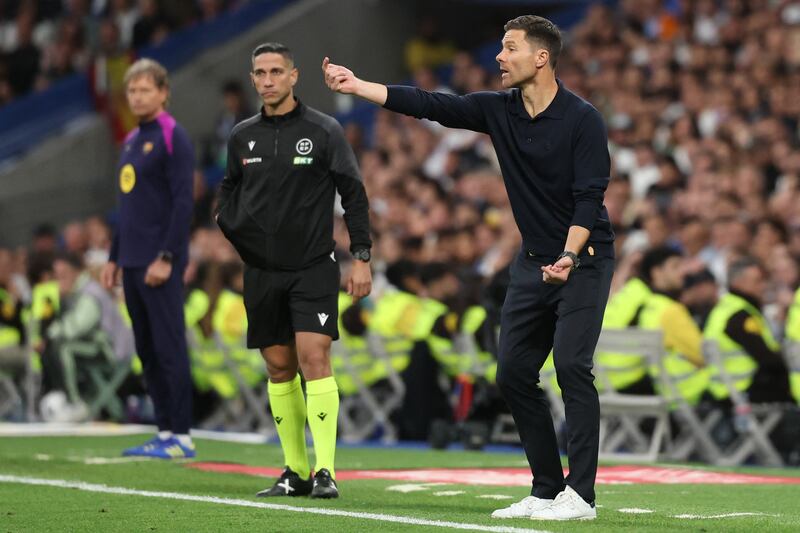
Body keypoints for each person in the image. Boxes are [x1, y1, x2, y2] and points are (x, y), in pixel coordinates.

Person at [323, 14, 614, 520]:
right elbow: (431, 104)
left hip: (583, 259)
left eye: (510, 47)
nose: (499, 56)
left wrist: (568, 254)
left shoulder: (582, 118)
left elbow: (590, 197)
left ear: (541, 57)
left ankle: (582, 496)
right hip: (533, 261)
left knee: (571, 367)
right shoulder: (498, 109)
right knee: (513, 372)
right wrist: (358, 85)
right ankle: (547, 488)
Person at [216, 42, 372, 499]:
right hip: (261, 271)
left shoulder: (324, 130)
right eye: (260, 73)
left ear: (293, 76)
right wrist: (233, 230)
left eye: (276, 71)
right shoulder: (241, 136)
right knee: (278, 366)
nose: (267, 80)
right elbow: (228, 193)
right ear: (253, 79)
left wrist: (361, 256)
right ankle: (295, 471)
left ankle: (326, 471)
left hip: (313, 266)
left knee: (314, 358)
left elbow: (353, 193)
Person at [100, 58, 195, 459]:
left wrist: (167, 256)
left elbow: (183, 202)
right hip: (133, 260)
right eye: (132, 91)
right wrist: (113, 257)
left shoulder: (174, 136)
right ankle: (164, 430)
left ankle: (183, 436)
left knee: (169, 346)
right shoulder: (130, 140)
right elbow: (128, 207)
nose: (137, 97)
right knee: (147, 349)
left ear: (163, 92)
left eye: (145, 90)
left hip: (160, 261)